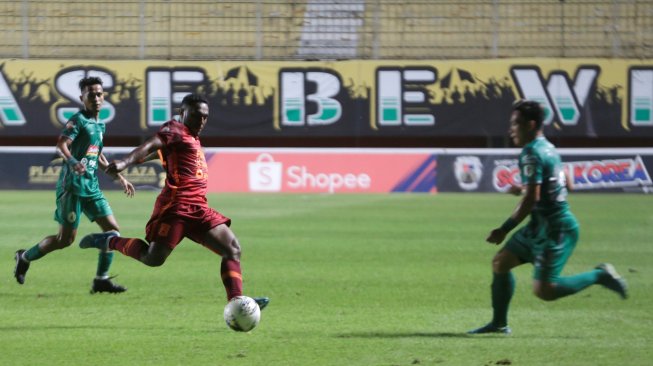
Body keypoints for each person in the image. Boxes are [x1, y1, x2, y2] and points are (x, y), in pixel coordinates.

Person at [78, 93, 269, 310]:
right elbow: (152, 144)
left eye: (205, 117)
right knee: (152, 258)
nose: (201, 121)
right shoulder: (174, 129)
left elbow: (158, 153)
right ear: (182, 113)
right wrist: (125, 162)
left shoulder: (191, 137)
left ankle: (237, 302)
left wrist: (137, 160)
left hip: (199, 209)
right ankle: (109, 241)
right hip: (175, 208)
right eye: (197, 116)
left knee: (232, 249)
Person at [468, 100, 628, 335]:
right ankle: (499, 324)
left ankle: (599, 275)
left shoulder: (531, 152)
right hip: (541, 224)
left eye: (516, 124)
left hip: (556, 227)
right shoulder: (548, 147)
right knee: (500, 263)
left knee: (545, 290)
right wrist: (525, 188)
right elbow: (565, 183)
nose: (511, 129)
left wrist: (505, 228)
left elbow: (533, 198)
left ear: (531, 124)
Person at [14, 76, 134, 294]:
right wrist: (72, 161)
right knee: (64, 240)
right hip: (71, 188)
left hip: (92, 187)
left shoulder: (99, 124)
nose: (96, 98)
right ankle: (24, 256)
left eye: (99, 94)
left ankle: (101, 280)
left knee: (113, 231)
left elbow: (95, 155)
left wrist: (119, 178)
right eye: (91, 94)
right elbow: (61, 145)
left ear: (104, 96)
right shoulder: (78, 120)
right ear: (82, 98)